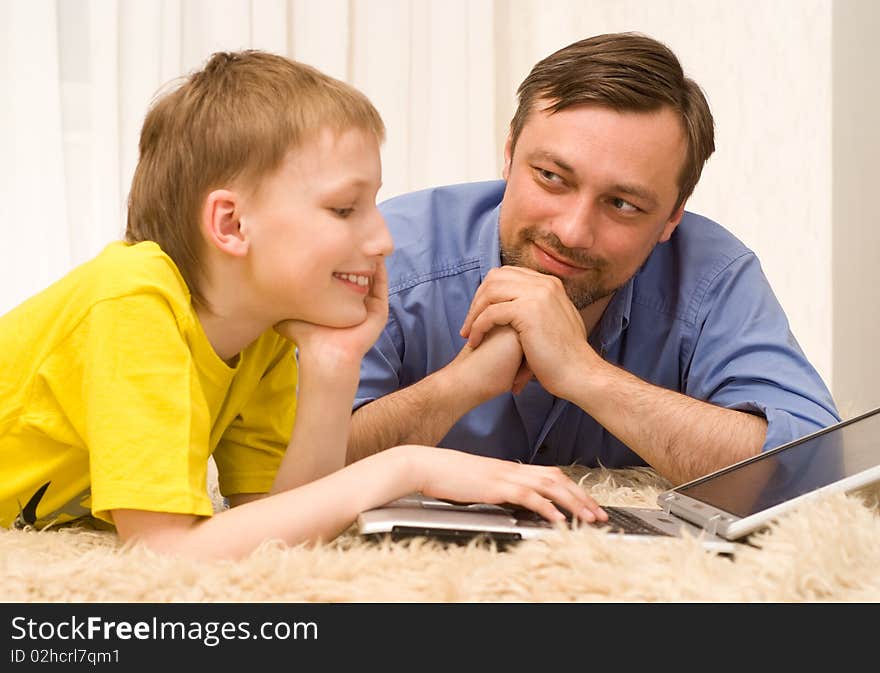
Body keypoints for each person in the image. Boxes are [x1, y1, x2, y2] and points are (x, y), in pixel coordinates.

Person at [0, 50, 606, 561]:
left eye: (374, 205)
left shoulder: (260, 331)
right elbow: (163, 555)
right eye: (345, 209)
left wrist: (332, 365)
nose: (382, 239)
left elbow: (277, 523)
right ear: (232, 224)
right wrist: (404, 467)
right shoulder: (134, 298)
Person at [349, 32, 840, 486]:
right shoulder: (389, 255)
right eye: (551, 177)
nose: (572, 231)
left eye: (623, 204)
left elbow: (816, 468)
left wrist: (585, 374)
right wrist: (457, 386)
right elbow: (291, 470)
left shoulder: (712, 277)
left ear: (672, 216)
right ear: (509, 156)